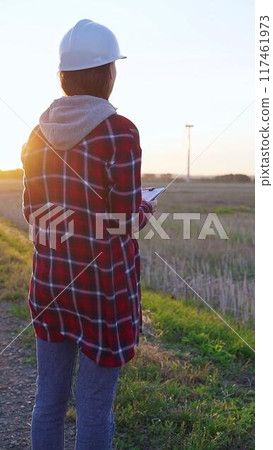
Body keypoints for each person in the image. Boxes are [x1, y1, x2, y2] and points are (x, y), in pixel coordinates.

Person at [21, 19, 157, 450]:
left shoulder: (36, 135)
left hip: (51, 284)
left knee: (48, 401)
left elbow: (33, 212)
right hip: (103, 291)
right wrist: (145, 208)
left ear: (63, 76)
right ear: (106, 75)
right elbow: (120, 221)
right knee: (95, 409)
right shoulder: (119, 132)